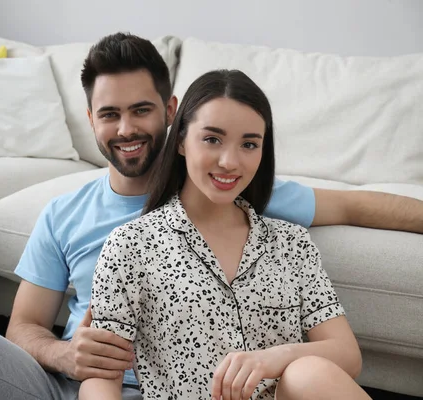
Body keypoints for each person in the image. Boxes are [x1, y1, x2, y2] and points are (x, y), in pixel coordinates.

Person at [0, 32, 423, 400]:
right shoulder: (67, 213)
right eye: (110, 114)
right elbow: (24, 324)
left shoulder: (231, 188)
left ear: (172, 115)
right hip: (71, 383)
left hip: (179, 387)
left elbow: (354, 203)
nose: (126, 128)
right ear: (92, 119)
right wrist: (63, 354)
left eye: (142, 110)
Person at [78, 68, 370, 400]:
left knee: (307, 373)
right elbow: (101, 377)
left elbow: (348, 355)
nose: (230, 162)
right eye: (212, 139)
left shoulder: (292, 243)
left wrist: (273, 359)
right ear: (182, 142)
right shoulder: (130, 245)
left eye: (249, 144)